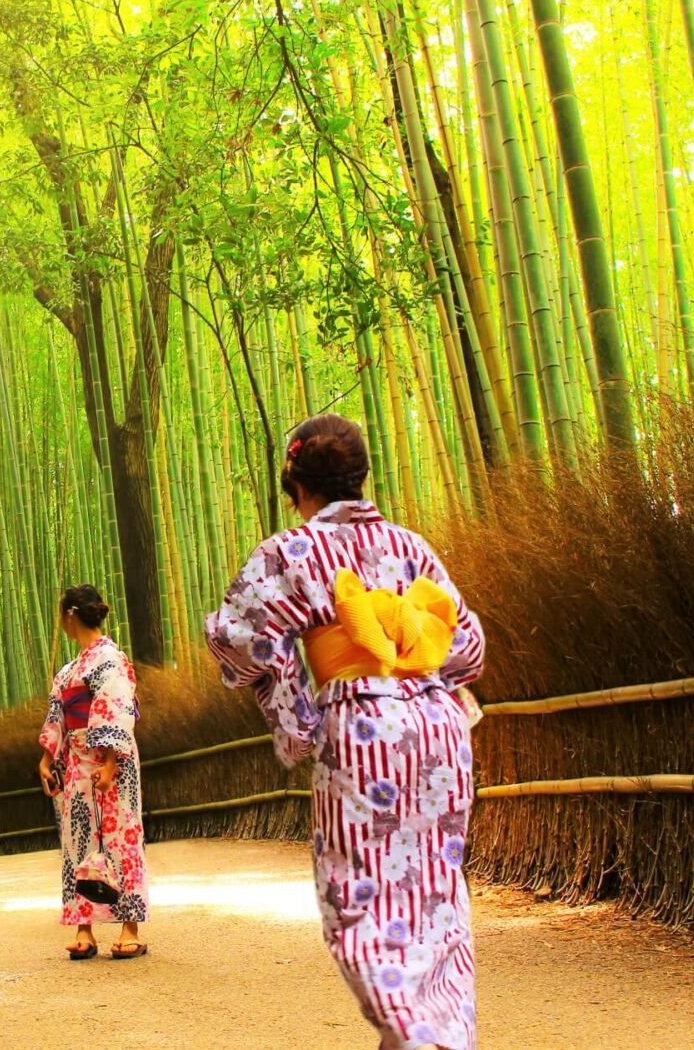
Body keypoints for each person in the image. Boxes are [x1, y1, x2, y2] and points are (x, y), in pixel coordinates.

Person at [204, 414, 486, 1050]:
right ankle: (437, 1031)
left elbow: (237, 637)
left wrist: (298, 715)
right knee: (435, 895)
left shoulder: (290, 551)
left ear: (296, 485)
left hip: (364, 729)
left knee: (361, 894)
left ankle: (419, 1039)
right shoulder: (414, 547)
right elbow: (467, 649)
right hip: (440, 729)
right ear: (362, 477)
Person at [38, 585, 150, 960]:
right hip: (76, 760)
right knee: (79, 840)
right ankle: (83, 927)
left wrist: (110, 760)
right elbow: (57, 713)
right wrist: (46, 758)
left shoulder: (110, 659)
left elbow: (116, 708)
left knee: (121, 837)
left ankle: (130, 927)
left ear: (69, 614)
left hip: (110, 758)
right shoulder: (69, 670)